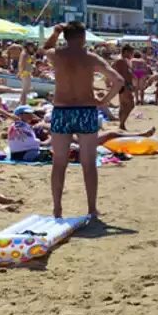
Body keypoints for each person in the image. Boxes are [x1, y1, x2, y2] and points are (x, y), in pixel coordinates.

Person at [44, 22, 123, 219]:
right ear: (84, 37)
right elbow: (118, 80)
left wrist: (55, 33)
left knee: (59, 162)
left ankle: (57, 209)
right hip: (86, 110)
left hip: (62, 110)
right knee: (88, 163)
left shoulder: (57, 55)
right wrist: (103, 100)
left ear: (65, 37)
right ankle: (91, 209)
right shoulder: (90, 58)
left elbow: (44, 48)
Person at [112, 45, 135, 130]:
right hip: (125, 85)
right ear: (125, 52)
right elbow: (122, 73)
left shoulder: (122, 60)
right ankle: (122, 123)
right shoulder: (121, 60)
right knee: (130, 105)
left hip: (122, 85)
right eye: (131, 53)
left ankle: (121, 124)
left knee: (123, 105)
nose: (132, 55)